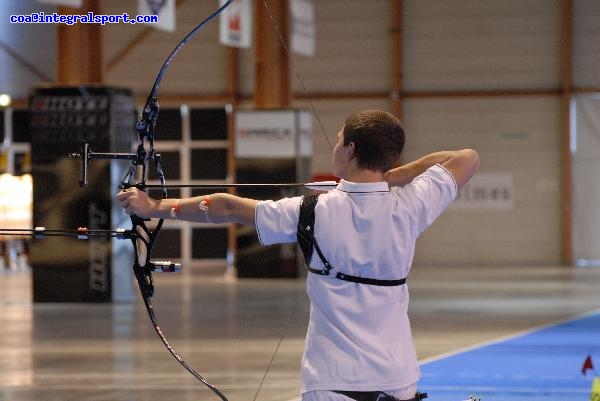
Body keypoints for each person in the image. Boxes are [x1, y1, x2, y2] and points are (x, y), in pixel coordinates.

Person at [116, 109, 480, 401]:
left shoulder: (312, 211)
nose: (334, 148)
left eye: (338, 142)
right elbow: (466, 158)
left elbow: (225, 206)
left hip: (331, 380)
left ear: (351, 150)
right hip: (397, 378)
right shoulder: (412, 204)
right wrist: (392, 176)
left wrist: (154, 206)